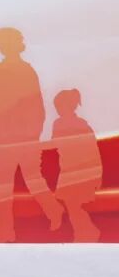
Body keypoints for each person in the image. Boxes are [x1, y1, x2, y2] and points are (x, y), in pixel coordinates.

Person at [0, 27, 62, 242]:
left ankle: (53, 210)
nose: (0, 46)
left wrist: (31, 134)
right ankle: (4, 232)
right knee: (6, 186)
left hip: (22, 138)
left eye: (3, 42)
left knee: (29, 180)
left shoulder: (24, 71)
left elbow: (36, 105)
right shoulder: (1, 71)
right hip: (10, 139)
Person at [51, 89, 103, 242]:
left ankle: (86, 232)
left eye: (58, 106)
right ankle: (85, 232)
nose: (57, 110)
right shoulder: (79, 124)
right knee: (73, 205)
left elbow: (92, 151)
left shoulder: (62, 124)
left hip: (76, 172)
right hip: (73, 171)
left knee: (73, 205)